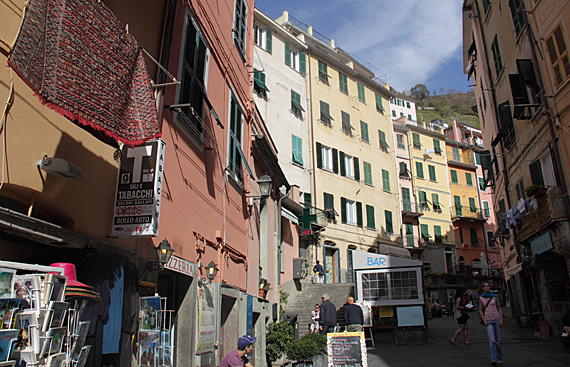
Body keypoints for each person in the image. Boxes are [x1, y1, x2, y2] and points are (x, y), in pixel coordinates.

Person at [479, 281, 503, 366]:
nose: (488, 287)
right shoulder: (481, 298)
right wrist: (484, 319)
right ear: (483, 288)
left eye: (488, 286)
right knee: (492, 340)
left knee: (498, 341)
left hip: (496, 319)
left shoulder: (495, 297)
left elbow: (499, 308)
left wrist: (501, 320)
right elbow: (480, 310)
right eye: (486, 286)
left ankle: (499, 357)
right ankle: (494, 359)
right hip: (488, 320)